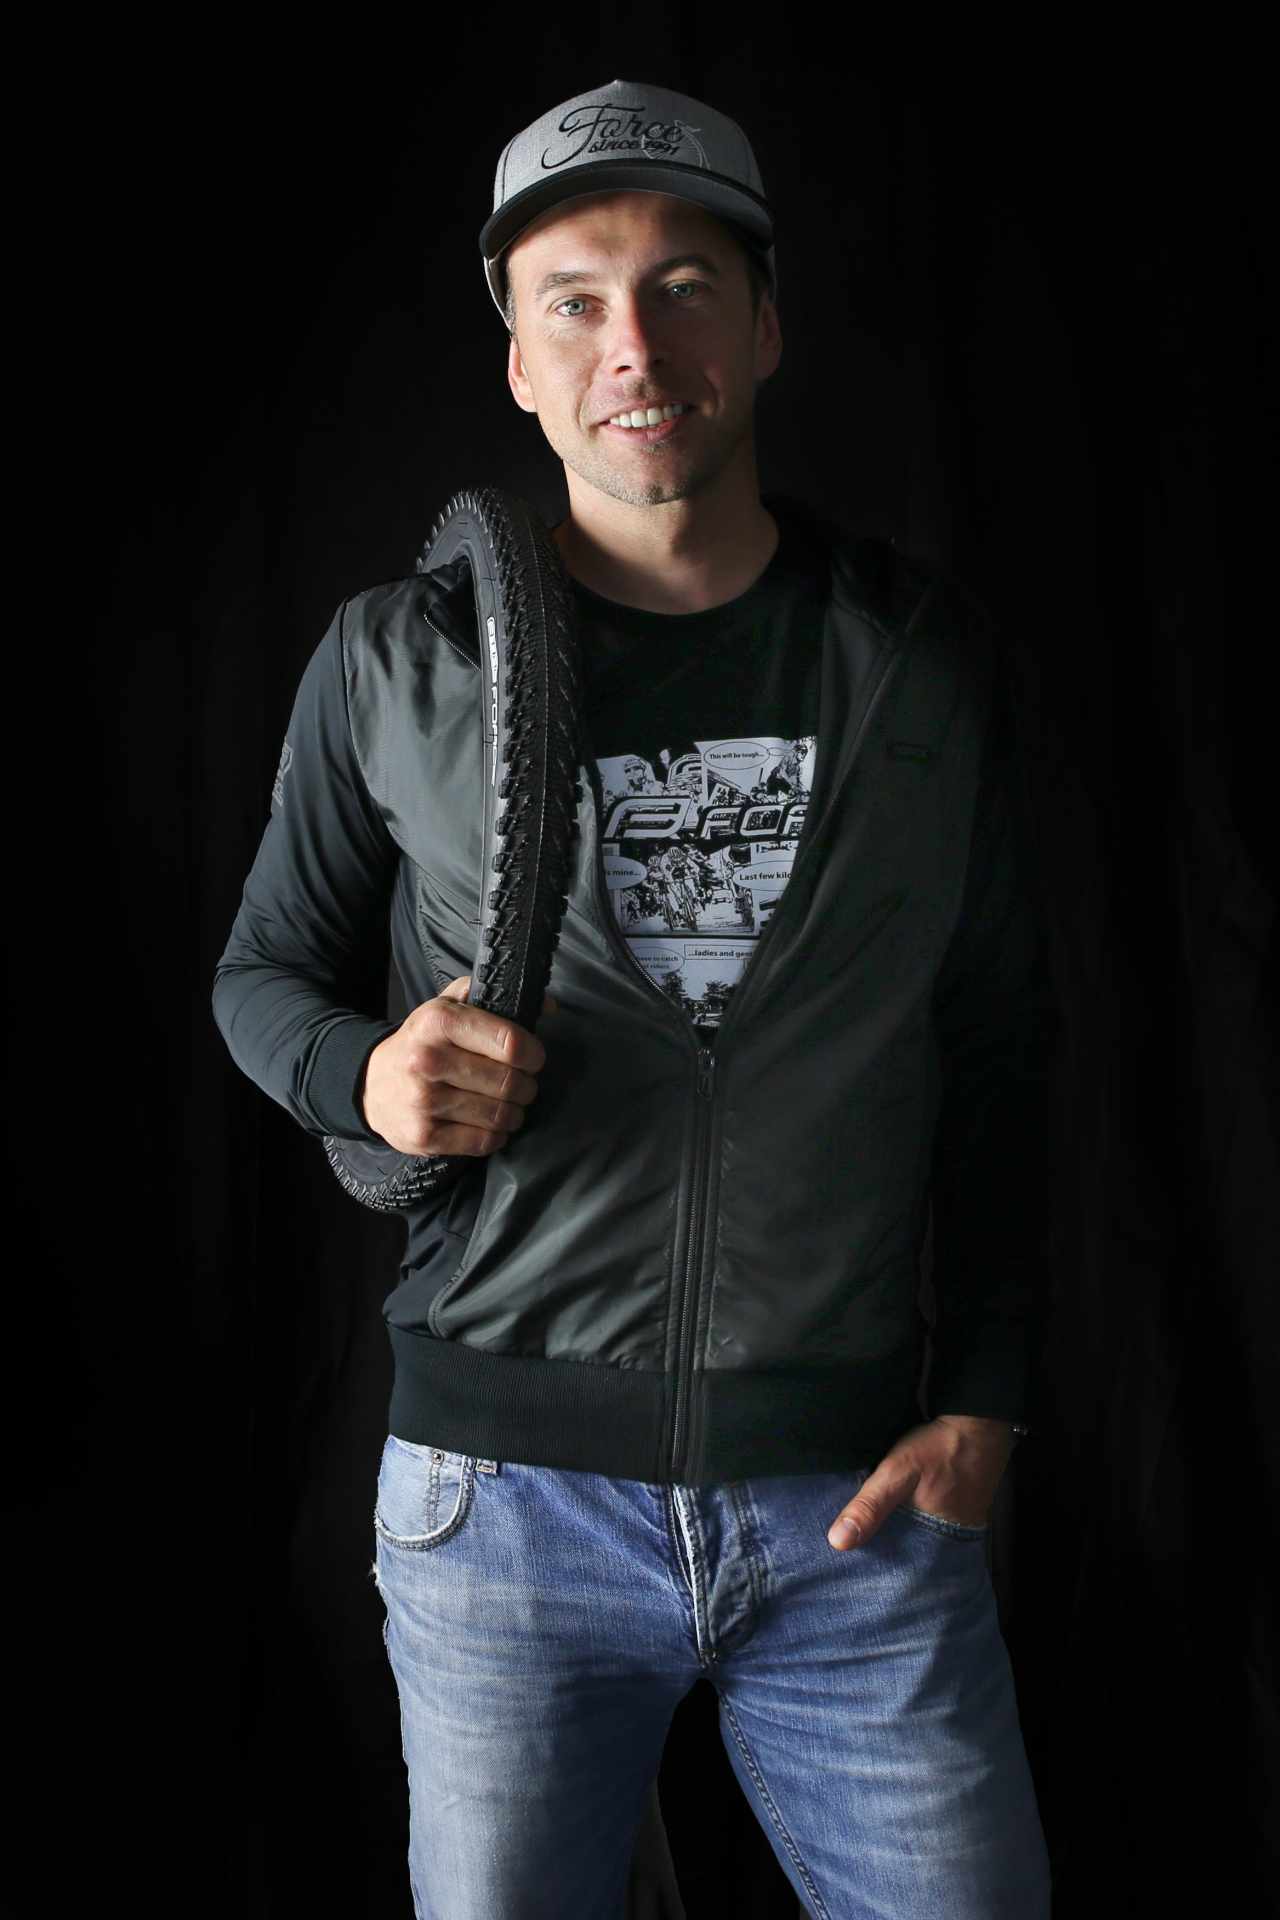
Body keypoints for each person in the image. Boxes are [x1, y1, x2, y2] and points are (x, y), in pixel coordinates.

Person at [212, 77, 1061, 1920]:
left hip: (854, 1510)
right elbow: (260, 975)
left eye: (684, 287)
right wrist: (366, 1078)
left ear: (765, 325)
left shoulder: (922, 663)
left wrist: (988, 1394)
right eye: (576, 300)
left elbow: (1003, 1049)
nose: (636, 346)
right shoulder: (396, 657)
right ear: (520, 362)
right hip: (500, 1510)